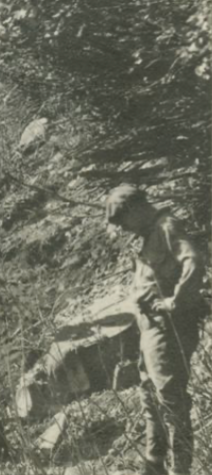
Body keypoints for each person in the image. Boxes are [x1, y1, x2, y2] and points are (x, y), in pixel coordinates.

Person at [106, 184, 205, 475]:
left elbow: (194, 261)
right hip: (151, 331)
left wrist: (175, 301)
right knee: (150, 398)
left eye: (123, 221)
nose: (123, 228)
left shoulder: (166, 227)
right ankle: (154, 466)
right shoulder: (149, 235)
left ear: (136, 209)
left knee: (172, 403)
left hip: (167, 330)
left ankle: (180, 470)